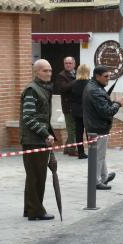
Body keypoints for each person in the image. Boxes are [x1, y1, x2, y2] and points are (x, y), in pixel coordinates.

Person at [83, 66, 123, 190]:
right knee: (98, 156)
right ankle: (95, 181)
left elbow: (102, 105)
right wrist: (118, 103)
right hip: (97, 127)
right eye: (106, 76)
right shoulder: (95, 90)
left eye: (109, 76)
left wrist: (117, 103)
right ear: (97, 76)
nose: (108, 79)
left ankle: (103, 176)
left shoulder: (95, 87)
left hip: (96, 126)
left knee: (100, 154)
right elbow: (107, 111)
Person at [20, 59, 56, 221]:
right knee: (37, 177)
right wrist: (45, 134)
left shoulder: (43, 88)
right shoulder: (32, 90)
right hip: (33, 140)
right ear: (36, 72)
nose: (48, 73)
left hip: (39, 139)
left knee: (34, 176)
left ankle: (30, 208)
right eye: (44, 70)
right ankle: (37, 211)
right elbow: (28, 117)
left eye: (49, 70)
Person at [55, 56, 77, 156]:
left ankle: (67, 149)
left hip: (77, 105)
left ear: (74, 64)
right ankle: (72, 150)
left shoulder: (77, 74)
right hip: (68, 106)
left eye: (70, 63)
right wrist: (77, 81)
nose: (68, 65)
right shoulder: (61, 75)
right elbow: (63, 88)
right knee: (71, 129)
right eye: (66, 63)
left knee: (75, 128)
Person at [71, 64, 91, 159]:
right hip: (87, 111)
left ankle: (80, 153)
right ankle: (92, 151)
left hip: (76, 110)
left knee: (78, 132)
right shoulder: (90, 83)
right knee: (90, 132)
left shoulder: (73, 83)